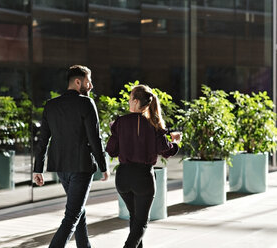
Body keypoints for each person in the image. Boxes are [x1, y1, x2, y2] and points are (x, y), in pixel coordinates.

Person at [33, 65, 109, 248]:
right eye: (88, 81)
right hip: (81, 168)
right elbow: (95, 138)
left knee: (77, 209)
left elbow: (43, 140)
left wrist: (38, 169)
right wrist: (104, 166)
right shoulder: (86, 103)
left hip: (61, 168)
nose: (91, 85)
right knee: (72, 217)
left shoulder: (51, 105)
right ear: (78, 81)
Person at [106, 84, 181, 248]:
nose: (128, 101)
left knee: (135, 217)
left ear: (136, 100)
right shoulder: (155, 125)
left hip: (123, 178)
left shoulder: (120, 122)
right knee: (141, 221)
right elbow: (166, 151)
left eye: (130, 97)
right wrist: (175, 142)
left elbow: (111, 151)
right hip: (144, 179)